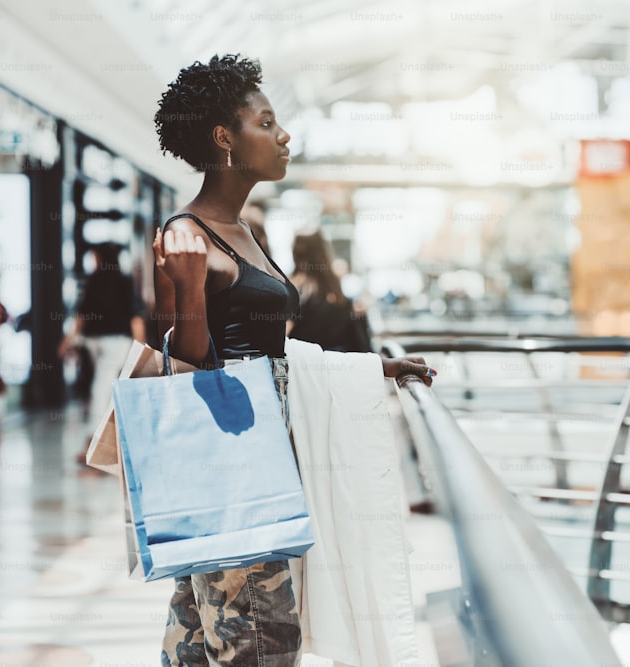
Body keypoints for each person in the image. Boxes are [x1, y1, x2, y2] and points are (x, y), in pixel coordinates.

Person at [152, 54, 434, 666]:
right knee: (256, 636)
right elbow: (191, 364)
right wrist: (189, 290)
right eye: (266, 121)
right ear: (225, 137)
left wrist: (378, 367)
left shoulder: (242, 231)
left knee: (204, 637)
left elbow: (275, 352)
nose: (284, 135)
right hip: (234, 470)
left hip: (261, 461)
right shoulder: (188, 235)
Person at [58, 243, 144, 462]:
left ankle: (94, 444)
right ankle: (107, 445)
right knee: (104, 390)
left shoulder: (96, 281)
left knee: (100, 390)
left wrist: (67, 342)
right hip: (108, 343)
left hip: (107, 344)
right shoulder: (119, 281)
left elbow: (81, 317)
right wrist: (140, 346)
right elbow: (134, 316)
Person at [289, 229, 373, 353]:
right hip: (340, 362)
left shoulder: (294, 288)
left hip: (305, 363)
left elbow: (283, 336)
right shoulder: (335, 288)